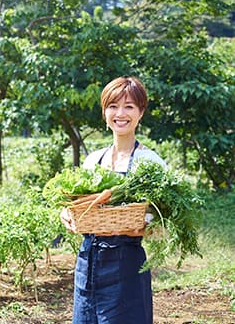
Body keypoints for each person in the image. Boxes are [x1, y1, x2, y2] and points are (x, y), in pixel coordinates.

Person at [61, 76, 166, 324]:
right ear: (105, 112)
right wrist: (67, 213)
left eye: (129, 106)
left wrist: (144, 223)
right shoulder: (93, 161)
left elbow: (160, 222)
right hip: (88, 260)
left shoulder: (149, 162)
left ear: (141, 112)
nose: (120, 113)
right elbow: (78, 205)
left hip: (126, 263)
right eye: (113, 106)